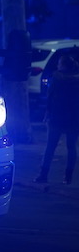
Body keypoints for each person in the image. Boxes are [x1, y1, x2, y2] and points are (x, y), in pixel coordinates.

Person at [34, 54, 79, 184]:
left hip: (56, 117)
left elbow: (50, 97)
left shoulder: (57, 78)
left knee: (50, 146)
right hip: (74, 118)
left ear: (63, 65)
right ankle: (68, 177)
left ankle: (43, 174)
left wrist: (47, 114)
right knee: (71, 147)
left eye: (59, 63)